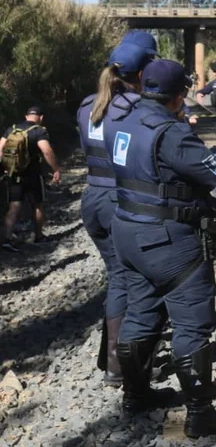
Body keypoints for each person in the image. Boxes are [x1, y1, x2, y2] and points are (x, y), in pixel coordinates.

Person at [104, 59, 216, 438]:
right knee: (191, 323)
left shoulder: (120, 118)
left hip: (128, 232)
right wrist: (189, 135)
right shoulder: (171, 132)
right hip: (167, 239)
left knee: (141, 313)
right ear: (179, 96)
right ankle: (200, 414)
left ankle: (135, 397)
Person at [78, 39, 156, 386]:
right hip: (119, 201)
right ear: (142, 72)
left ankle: (114, 358)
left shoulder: (87, 106)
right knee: (132, 280)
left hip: (93, 197)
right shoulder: (136, 107)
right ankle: (120, 365)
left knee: (117, 276)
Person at [0, 106, 61, 251]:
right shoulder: (39, 131)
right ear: (41, 118)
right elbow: (46, 151)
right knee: (37, 205)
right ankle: (39, 236)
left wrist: (6, 167)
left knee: (14, 206)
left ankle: (7, 239)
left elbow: (1, 149)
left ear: (26, 116)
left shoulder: (12, 129)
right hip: (33, 175)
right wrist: (56, 169)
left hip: (14, 174)